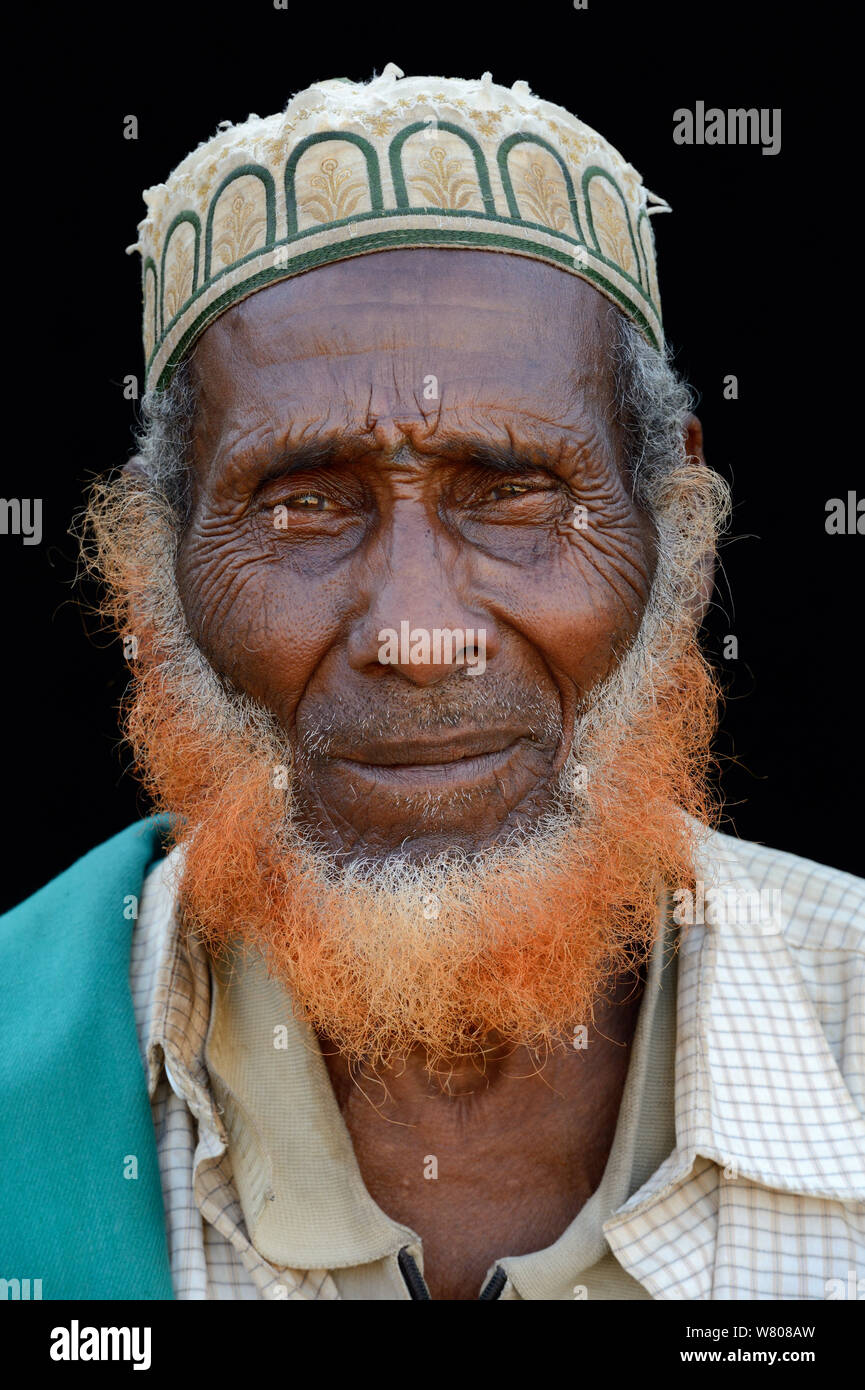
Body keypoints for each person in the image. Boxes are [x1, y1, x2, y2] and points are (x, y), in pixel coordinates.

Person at [2, 65, 863, 1302]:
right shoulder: (26, 1063)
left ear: (674, 521)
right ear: (153, 559)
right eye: (303, 506)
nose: (415, 636)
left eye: (512, 492)